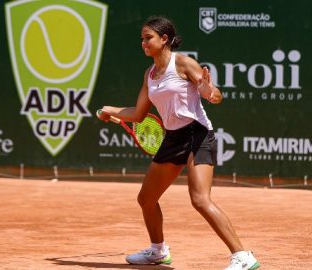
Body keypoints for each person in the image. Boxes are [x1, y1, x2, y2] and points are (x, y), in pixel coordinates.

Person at [97, 16, 260, 270]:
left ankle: (242, 255)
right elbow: (138, 113)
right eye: (141, 39)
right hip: (172, 138)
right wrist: (111, 110)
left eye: (148, 38)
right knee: (146, 199)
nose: (143, 43)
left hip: (197, 134)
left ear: (164, 39)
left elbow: (215, 95)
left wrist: (208, 91)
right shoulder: (149, 74)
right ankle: (158, 251)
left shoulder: (183, 63)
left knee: (200, 199)